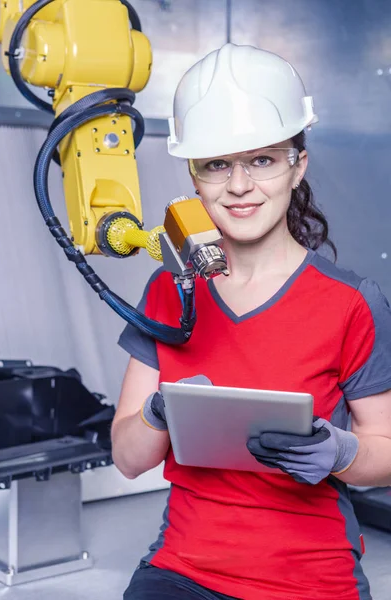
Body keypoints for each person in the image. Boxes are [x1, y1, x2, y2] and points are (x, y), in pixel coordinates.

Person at [111, 43, 391, 600]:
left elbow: (384, 451)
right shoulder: (171, 289)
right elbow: (126, 458)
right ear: (195, 175)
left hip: (314, 576)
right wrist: (158, 409)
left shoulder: (351, 302)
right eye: (217, 163)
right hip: (184, 570)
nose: (239, 186)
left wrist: (342, 453)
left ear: (297, 164)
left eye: (261, 160)